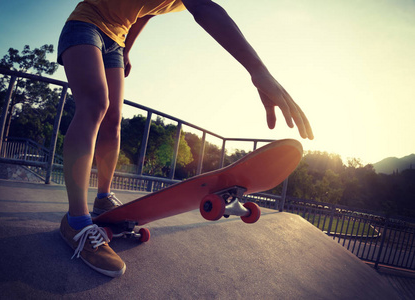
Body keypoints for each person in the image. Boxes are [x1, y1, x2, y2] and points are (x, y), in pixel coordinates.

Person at [57, 0, 314, 278]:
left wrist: (127, 48)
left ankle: (103, 198)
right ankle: (77, 221)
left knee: (114, 121)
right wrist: (258, 70)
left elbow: (147, 11)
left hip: (116, 42)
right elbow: (204, 9)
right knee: (95, 104)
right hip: (85, 25)